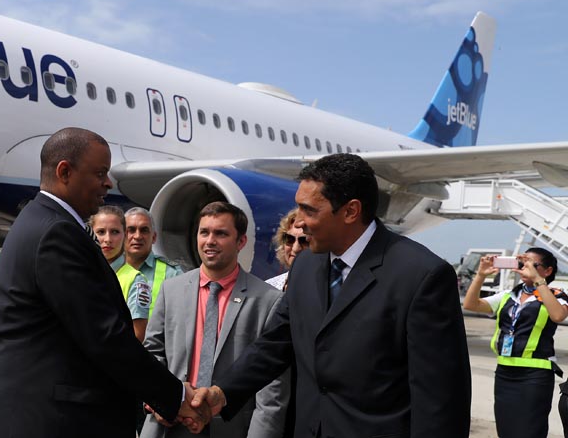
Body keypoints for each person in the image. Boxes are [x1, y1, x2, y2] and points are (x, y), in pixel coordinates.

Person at [191, 153, 472, 438]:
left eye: (309, 210)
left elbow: (441, 400)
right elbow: (276, 343)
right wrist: (222, 392)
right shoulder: (306, 265)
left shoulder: (422, 276)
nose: (298, 223)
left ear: (350, 211)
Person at [0, 127, 208, 437]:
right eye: (100, 173)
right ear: (65, 172)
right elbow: (105, 337)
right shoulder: (57, 233)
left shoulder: (41, 221)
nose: (108, 182)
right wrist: (178, 397)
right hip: (41, 422)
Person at [141, 201, 289, 438]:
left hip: (232, 428)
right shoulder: (171, 290)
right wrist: (159, 400)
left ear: (241, 242)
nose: (210, 241)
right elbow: (152, 354)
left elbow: (272, 389)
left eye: (221, 233)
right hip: (169, 424)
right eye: (204, 232)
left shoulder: (268, 300)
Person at [463, 249, 568, 438]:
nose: (525, 267)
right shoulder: (508, 295)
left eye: (532, 264)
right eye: (522, 263)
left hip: (535, 375)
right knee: (506, 431)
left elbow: (558, 315)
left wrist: (538, 281)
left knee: (529, 432)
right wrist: (480, 275)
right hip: (504, 373)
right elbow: (471, 305)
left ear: (548, 270)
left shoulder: (555, 294)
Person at [89, 205, 151, 341]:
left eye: (115, 232)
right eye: (100, 232)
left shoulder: (135, 280)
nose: (108, 239)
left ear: (125, 235)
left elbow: (137, 336)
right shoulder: (82, 274)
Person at [113, 207, 183, 317]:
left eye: (144, 230)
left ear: (154, 237)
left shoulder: (172, 274)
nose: (137, 236)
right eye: (131, 230)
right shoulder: (109, 269)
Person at [265, 209, 308, 291]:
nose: (295, 248)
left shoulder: (331, 292)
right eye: (289, 239)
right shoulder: (267, 288)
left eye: (304, 241)